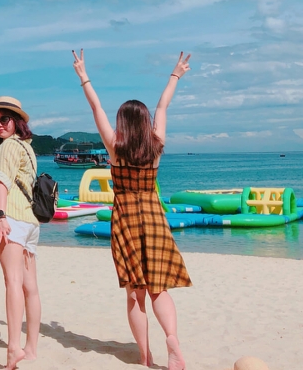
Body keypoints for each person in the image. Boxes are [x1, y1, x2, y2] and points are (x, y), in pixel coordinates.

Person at [72, 50, 192, 370]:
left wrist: (83, 75)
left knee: (135, 293)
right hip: (153, 217)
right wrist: (175, 75)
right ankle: (171, 338)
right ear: (146, 121)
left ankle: (144, 356)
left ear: (122, 122)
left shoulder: (115, 147)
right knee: (158, 288)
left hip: (125, 217)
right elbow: (163, 106)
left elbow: (96, 107)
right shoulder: (157, 144)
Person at [0, 96, 42, 370]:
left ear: (16, 121)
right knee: (30, 287)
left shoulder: (7, 146)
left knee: (13, 282)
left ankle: (13, 349)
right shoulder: (27, 148)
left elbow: (2, 181)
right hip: (30, 222)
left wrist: (0, 215)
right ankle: (31, 348)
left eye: (4, 119)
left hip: (12, 218)